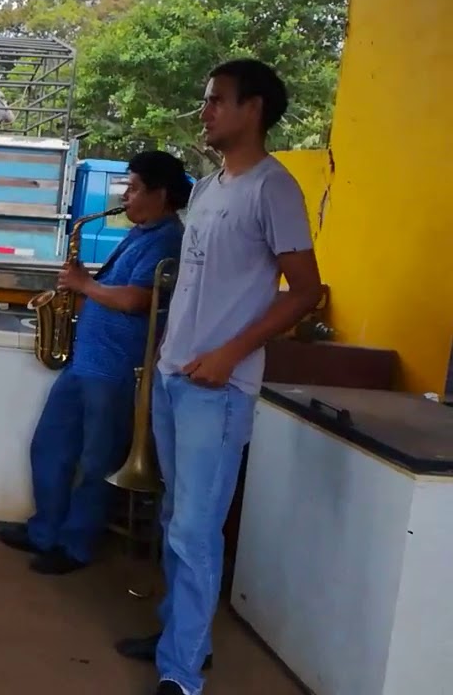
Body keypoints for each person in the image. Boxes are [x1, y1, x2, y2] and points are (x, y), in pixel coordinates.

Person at [114, 60, 323, 695]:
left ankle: (181, 674)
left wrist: (230, 354)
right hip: (178, 378)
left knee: (194, 530)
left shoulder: (274, 188)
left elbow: (305, 292)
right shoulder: (207, 189)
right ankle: (185, 636)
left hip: (219, 390)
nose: (204, 112)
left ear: (253, 109)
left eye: (216, 101)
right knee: (178, 516)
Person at [0, 150, 189, 576]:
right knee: (50, 445)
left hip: (117, 369)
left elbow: (138, 300)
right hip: (86, 362)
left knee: (96, 461)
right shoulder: (141, 233)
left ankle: (76, 545)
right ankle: (44, 530)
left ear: (161, 194)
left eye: (135, 187)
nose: (126, 195)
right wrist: (86, 284)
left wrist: (84, 284)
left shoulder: (168, 240)